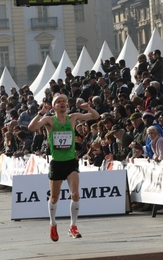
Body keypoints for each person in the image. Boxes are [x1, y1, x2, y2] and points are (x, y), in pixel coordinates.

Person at [28, 92, 100, 242]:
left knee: (75, 194)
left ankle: (73, 226)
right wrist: (40, 112)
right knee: (54, 198)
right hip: (56, 163)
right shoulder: (49, 120)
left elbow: (96, 117)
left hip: (71, 162)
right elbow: (31, 127)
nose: (62, 103)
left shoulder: (72, 117)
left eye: (64, 101)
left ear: (67, 104)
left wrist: (88, 108)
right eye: (59, 101)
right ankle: (53, 224)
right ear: (54, 106)